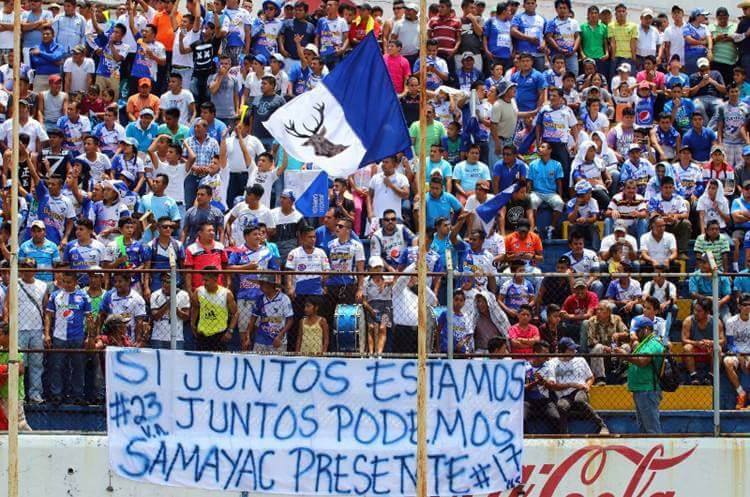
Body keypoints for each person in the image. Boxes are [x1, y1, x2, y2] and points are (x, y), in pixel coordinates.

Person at [44, 272, 93, 405]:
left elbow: (89, 318)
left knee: (78, 367)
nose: (66, 284)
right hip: (59, 337)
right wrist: (47, 334)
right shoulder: (55, 295)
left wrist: (90, 336)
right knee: (57, 366)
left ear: (76, 282)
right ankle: (56, 395)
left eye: (69, 282)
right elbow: (48, 315)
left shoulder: (84, 296)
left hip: (77, 337)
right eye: (64, 281)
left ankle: (78, 395)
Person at [543, 336, 609, 434]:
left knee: (579, 400)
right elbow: (553, 386)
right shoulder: (552, 363)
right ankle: (564, 433)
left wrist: (588, 385)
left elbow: (591, 377)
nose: (574, 351)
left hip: (580, 390)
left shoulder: (580, 360)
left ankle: (602, 425)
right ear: (563, 350)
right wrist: (571, 384)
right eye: (571, 349)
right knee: (561, 406)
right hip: (564, 394)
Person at [614, 316, 664, 434]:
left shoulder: (653, 343)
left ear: (646, 329)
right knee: (643, 429)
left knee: (652, 429)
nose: (635, 334)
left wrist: (625, 355)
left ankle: (658, 446)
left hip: (647, 390)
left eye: (637, 331)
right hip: (640, 389)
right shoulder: (644, 344)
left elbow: (642, 361)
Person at [12, 258, 48, 404]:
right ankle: (18, 394)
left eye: (30, 267)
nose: (27, 270)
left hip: (37, 329)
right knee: (19, 364)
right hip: (19, 329)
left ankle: (35, 394)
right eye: (24, 267)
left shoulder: (42, 285)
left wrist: (46, 331)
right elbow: (7, 305)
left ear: (35, 269)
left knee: (36, 364)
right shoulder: (15, 284)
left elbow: (46, 309)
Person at [191, 266, 238, 352]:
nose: (204, 283)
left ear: (215, 279)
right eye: (203, 280)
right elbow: (195, 308)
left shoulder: (226, 293)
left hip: (220, 335)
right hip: (202, 334)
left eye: (206, 280)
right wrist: (193, 324)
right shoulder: (198, 291)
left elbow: (235, 313)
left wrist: (230, 331)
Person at [682, 298, 725, 385]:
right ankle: (694, 376)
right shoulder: (688, 321)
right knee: (687, 348)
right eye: (695, 310)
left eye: (699, 311)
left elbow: (722, 340)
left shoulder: (716, 322)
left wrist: (711, 342)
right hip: (695, 350)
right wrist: (696, 343)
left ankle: (711, 376)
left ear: (707, 312)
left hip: (710, 350)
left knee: (718, 348)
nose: (695, 313)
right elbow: (684, 339)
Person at [149, 271, 190, 350]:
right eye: (163, 281)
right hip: (158, 337)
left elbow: (186, 317)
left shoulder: (183, 295)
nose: (165, 284)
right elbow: (155, 317)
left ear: (175, 282)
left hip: (177, 337)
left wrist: (175, 308)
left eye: (168, 281)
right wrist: (168, 303)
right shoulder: (155, 294)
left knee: (176, 358)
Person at [724, 293, 750, 409]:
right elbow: (730, 343)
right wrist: (739, 354)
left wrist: (747, 356)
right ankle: (741, 393)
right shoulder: (731, 321)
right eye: (745, 305)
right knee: (727, 362)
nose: (747, 307)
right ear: (739, 306)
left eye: (749, 305)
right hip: (736, 352)